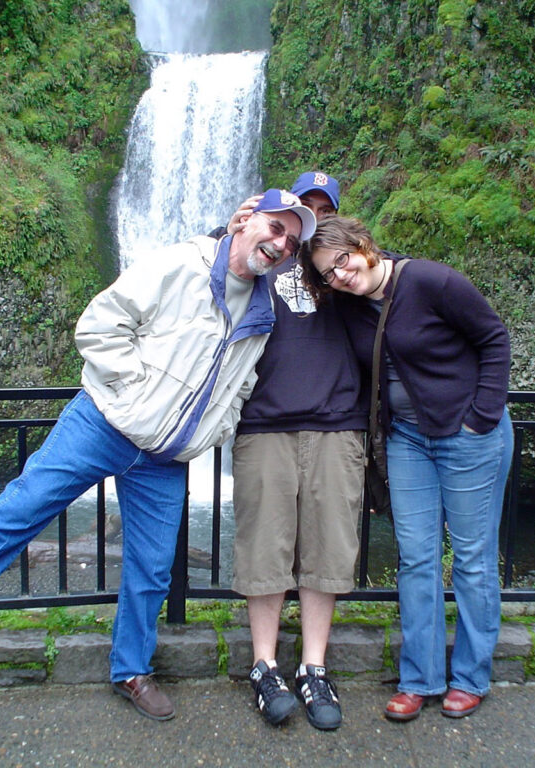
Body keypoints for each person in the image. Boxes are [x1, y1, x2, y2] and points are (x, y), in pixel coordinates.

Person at [0, 189, 317, 722]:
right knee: (19, 511)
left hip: (166, 457)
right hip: (103, 423)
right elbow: (99, 325)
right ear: (246, 219)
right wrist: (135, 398)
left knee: (152, 569)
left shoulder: (263, 311)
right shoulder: (179, 263)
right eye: (275, 228)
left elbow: (241, 383)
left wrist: (211, 430)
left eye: (292, 243)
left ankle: (131, 670)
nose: (280, 244)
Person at [300, 216, 513, 722]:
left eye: (343, 261)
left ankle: (470, 677)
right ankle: (419, 678)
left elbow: (494, 339)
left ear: (362, 245)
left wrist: (480, 417)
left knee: (473, 559)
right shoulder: (350, 309)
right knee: (416, 559)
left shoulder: (432, 281)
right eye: (328, 274)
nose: (340, 277)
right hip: (407, 441)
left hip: (467, 436)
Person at [217, 172, 367, 731]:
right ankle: (263, 665)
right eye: (307, 206)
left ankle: (313, 666)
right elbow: (214, 264)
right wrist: (232, 222)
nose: (316, 214)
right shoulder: (261, 256)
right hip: (264, 424)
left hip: (336, 425)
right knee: (264, 549)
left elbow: (383, 270)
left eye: (326, 208)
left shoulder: (342, 273)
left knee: (328, 550)